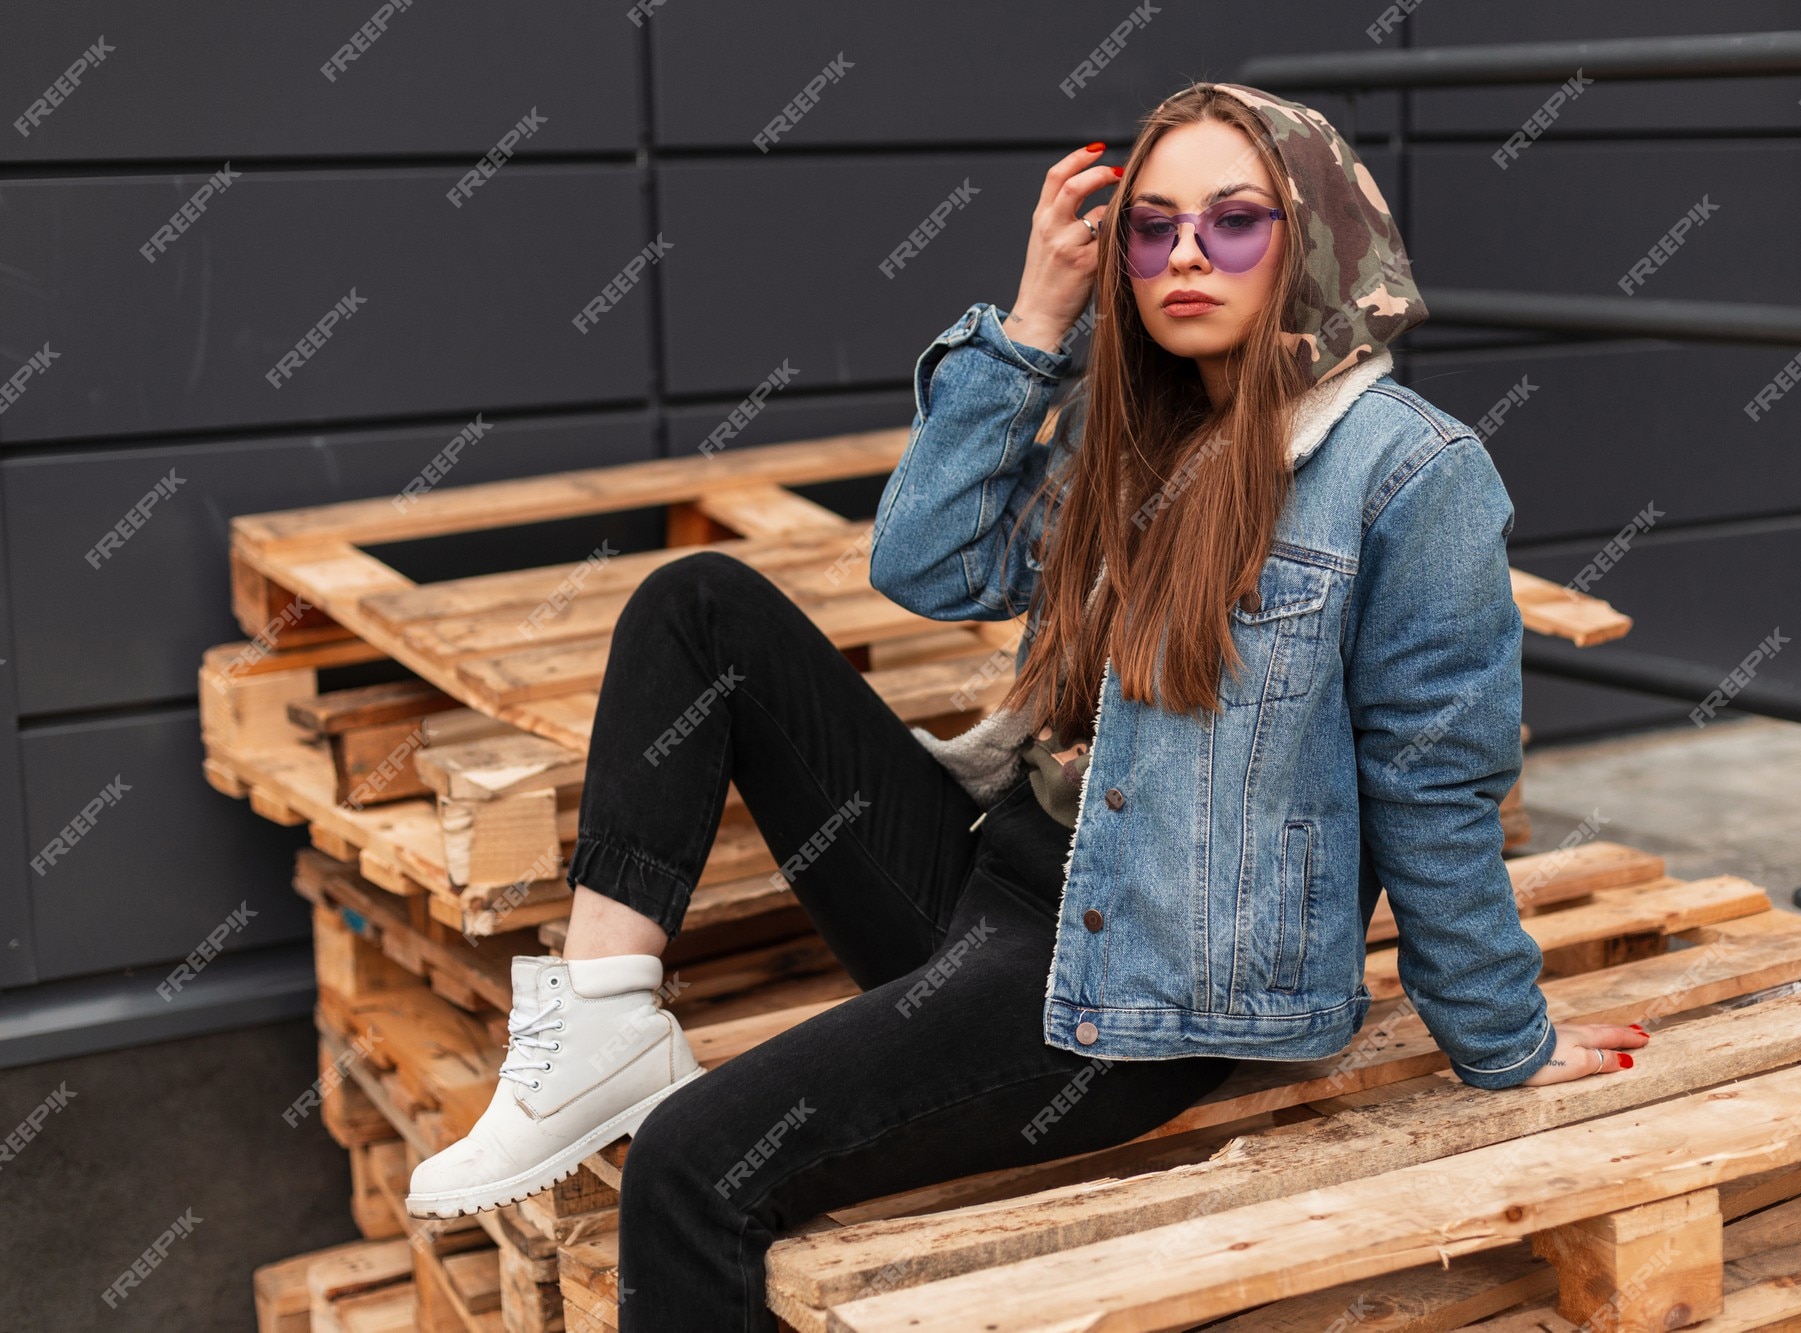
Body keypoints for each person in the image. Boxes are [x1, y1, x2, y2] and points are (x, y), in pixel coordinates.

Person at [404, 80, 1650, 1329]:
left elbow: (1431, 781)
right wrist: (1035, 319)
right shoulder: (1132, 422)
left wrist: (1503, 1035)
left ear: (1315, 237)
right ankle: (603, 1022)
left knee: (691, 1165)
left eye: (1232, 221)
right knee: (697, 606)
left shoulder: (1409, 473)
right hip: (988, 891)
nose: (1182, 258)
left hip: (1130, 997)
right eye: (1149, 227)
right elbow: (927, 564)